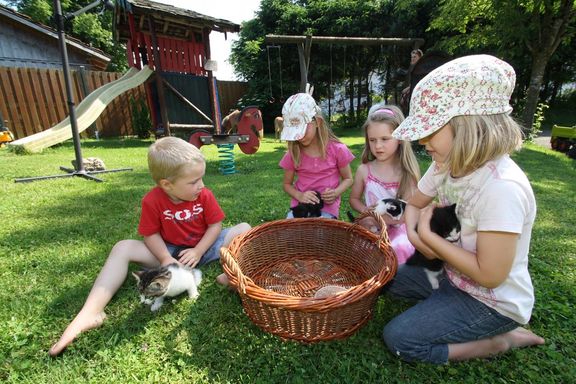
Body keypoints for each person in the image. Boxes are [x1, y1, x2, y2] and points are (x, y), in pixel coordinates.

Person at [383, 54, 545, 364]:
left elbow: (491, 274)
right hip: (450, 275)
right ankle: (441, 303)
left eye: (431, 130)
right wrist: (420, 241)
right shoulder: (445, 163)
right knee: (386, 278)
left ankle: (501, 341)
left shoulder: (502, 188)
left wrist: (431, 241)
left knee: (401, 339)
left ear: (469, 125)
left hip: (490, 302)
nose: (421, 140)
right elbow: (414, 205)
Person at [49, 136, 251, 356]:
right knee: (123, 247)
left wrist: (199, 250)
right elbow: (150, 234)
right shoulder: (152, 201)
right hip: (171, 253)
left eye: (201, 178)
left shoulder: (204, 195)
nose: (201, 185)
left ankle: (230, 273)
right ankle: (91, 312)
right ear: (167, 184)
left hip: (206, 246)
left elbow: (215, 225)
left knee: (244, 228)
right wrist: (165, 258)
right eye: (193, 181)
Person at [349, 104, 420, 264]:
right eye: (372, 140)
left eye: (385, 139)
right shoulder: (364, 170)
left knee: (399, 247)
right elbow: (354, 199)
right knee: (358, 246)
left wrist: (388, 220)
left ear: (400, 139)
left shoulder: (406, 173)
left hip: (398, 228)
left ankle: (396, 276)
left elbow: (410, 210)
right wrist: (367, 213)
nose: (378, 146)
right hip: (371, 226)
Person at [279, 93, 354, 219]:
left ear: (317, 122)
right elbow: (287, 184)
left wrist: (335, 193)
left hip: (327, 210)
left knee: (320, 235)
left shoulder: (338, 149)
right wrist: (300, 196)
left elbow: (348, 179)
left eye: (302, 129)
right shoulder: (294, 153)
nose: (300, 136)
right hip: (300, 208)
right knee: (291, 234)